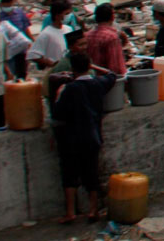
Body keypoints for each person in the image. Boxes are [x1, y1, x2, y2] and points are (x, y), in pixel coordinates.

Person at [51, 52, 117, 223]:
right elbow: (112, 74)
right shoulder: (98, 84)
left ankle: (70, 212)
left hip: (71, 138)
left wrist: (58, 94)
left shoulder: (69, 89)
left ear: (72, 69)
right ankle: (93, 210)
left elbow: (58, 114)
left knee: (70, 174)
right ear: (88, 66)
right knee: (91, 173)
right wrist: (93, 66)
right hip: (92, 136)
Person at [30, 0, 75, 69]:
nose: (69, 16)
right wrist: (48, 62)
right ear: (57, 16)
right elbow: (33, 55)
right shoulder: (46, 34)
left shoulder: (69, 29)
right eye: (66, 14)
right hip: (55, 72)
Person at [85, 3, 127, 75]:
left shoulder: (87, 35)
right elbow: (115, 66)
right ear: (112, 17)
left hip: (92, 79)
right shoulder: (111, 37)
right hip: (108, 81)